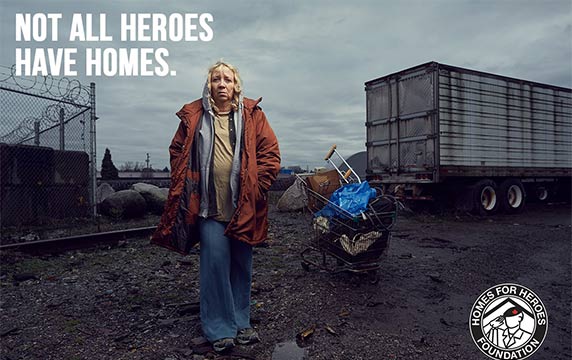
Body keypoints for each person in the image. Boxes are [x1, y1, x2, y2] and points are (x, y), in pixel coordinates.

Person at [151, 60, 281, 353]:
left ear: (236, 85)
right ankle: (219, 328)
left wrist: (257, 187)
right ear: (208, 85)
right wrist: (186, 182)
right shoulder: (194, 115)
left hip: (243, 207)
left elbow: (270, 154)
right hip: (209, 207)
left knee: (240, 266)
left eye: (228, 79)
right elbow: (177, 151)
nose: (222, 84)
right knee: (214, 266)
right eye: (216, 79)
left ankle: (241, 322)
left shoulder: (252, 115)